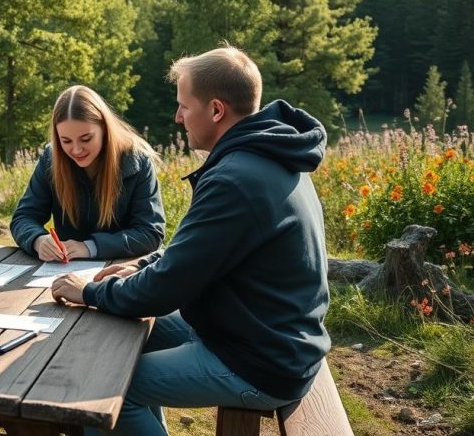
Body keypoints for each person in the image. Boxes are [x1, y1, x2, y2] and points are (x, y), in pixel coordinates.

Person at [52, 46, 330, 435]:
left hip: (259, 360)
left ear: (216, 110)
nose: (178, 117)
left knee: (98, 387)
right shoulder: (269, 153)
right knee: (126, 335)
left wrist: (90, 293)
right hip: (264, 334)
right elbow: (196, 250)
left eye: (184, 106)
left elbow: (164, 291)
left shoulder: (236, 178)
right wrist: (141, 265)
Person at [10, 85, 165, 263]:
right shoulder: (50, 159)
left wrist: (89, 247)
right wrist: (38, 240)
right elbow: (23, 218)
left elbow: (150, 233)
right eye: (66, 141)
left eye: (86, 139)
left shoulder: (137, 161)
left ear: (105, 129)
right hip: (61, 274)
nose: (76, 149)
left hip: (123, 276)